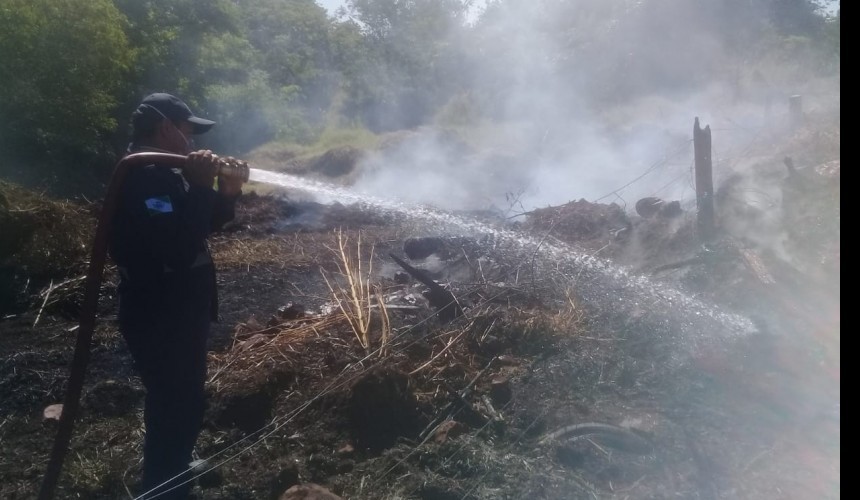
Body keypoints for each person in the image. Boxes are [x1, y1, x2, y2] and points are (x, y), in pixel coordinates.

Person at [108, 93, 244, 499]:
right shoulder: (142, 176)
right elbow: (177, 248)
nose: (192, 140)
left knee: (184, 398)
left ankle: (176, 466)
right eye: (188, 130)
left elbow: (197, 223)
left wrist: (227, 192)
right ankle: (164, 487)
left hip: (180, 311)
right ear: (166, 127)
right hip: (160, 314)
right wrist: (202, 186)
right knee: (172, 402)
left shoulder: (167, 172)